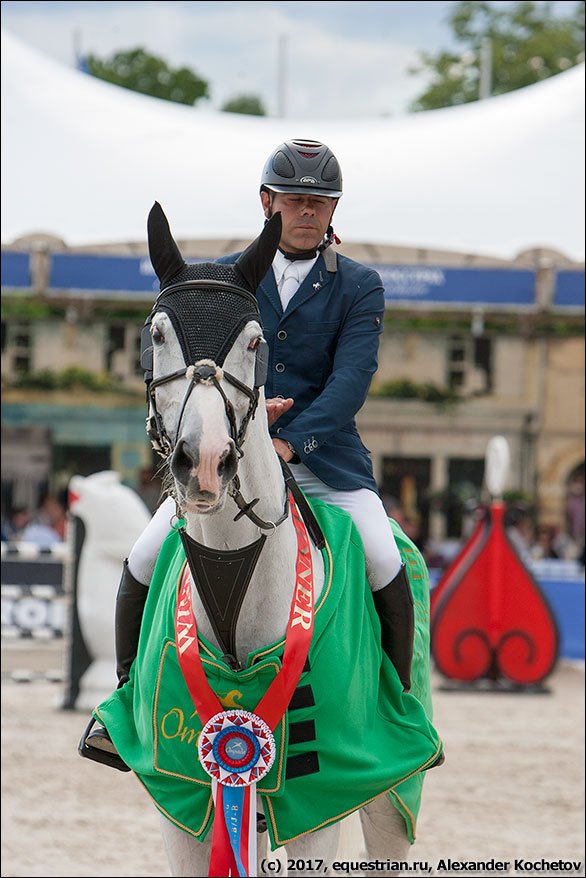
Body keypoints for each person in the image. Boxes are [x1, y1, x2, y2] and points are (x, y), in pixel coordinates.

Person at [109, 139, 414, 734]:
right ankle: (123, 703)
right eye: (295, 200)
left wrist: (287, 441)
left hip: (322, 462)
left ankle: (396, 714)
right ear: (267, 201)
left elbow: (350, 382)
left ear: (333, 210)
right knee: (143, 558)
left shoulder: (359, 284)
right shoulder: (223, 278)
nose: (307, 212)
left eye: (320, 203)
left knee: (383, 557)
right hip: (226, 459)